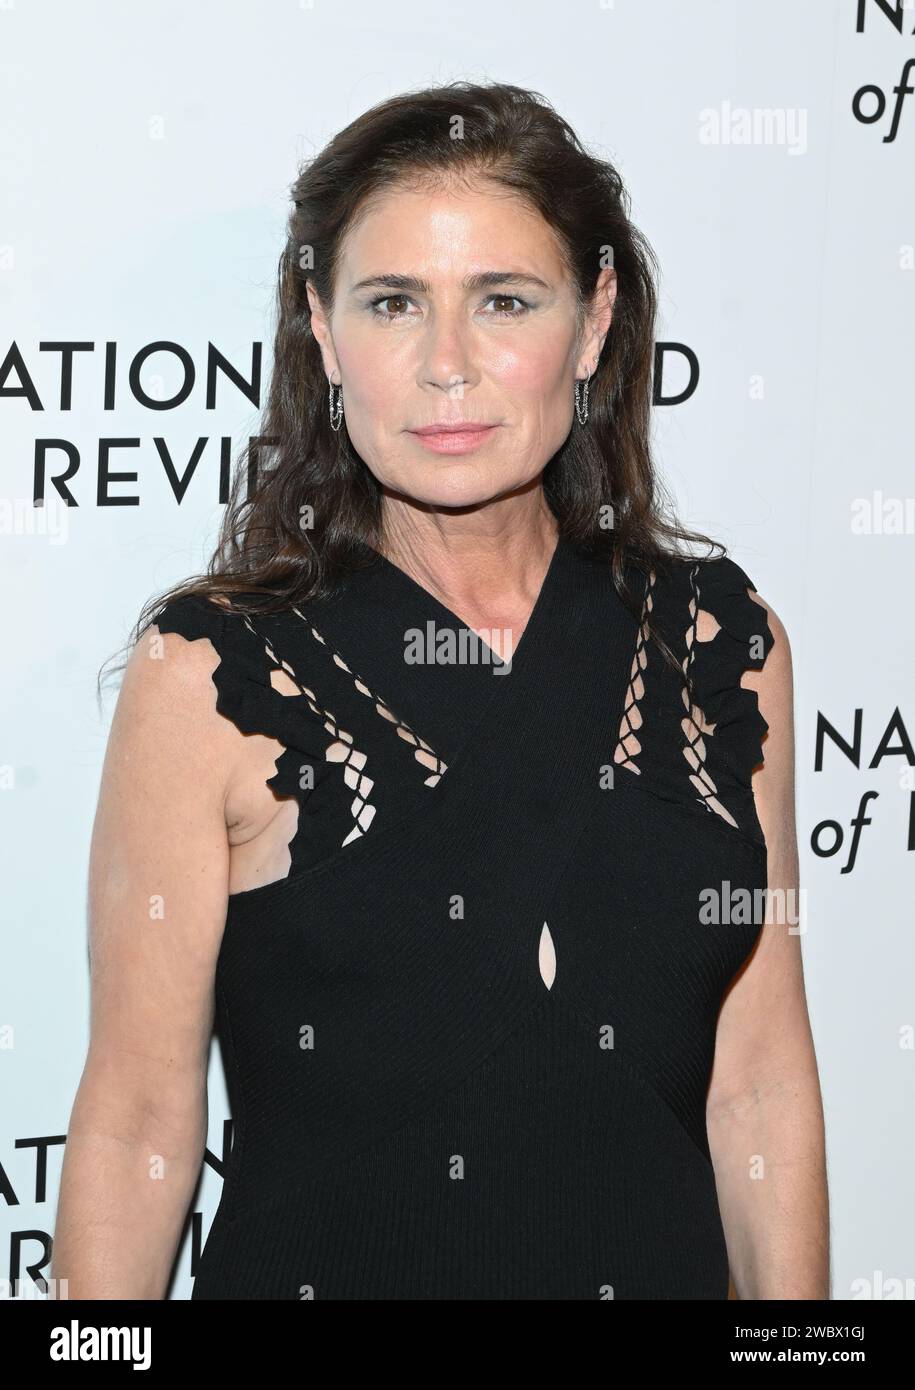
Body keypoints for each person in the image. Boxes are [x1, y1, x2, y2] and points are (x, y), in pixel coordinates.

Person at [52, 80, 828, 1300]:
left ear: (594, 321)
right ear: (322, 328)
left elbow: (761, 1077)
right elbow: (139, 1119)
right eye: (394, 303)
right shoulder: (209, 671)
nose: (448, 365)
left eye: (504, 300)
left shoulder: (724, 649)